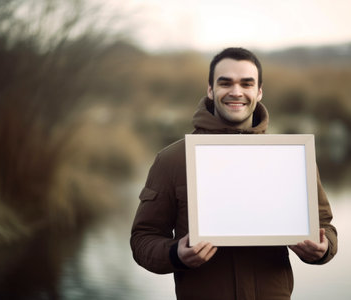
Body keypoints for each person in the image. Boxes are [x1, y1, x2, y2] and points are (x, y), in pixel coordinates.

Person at [130, 47, 338, 300]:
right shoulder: (172, 159)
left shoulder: (291, 157)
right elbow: (143, 240)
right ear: (210, 89)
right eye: (225, 83)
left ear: (259, 92)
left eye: (247, 84)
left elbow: (325, 227)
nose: (236, 92)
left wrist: (323, 248)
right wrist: (176, 254)